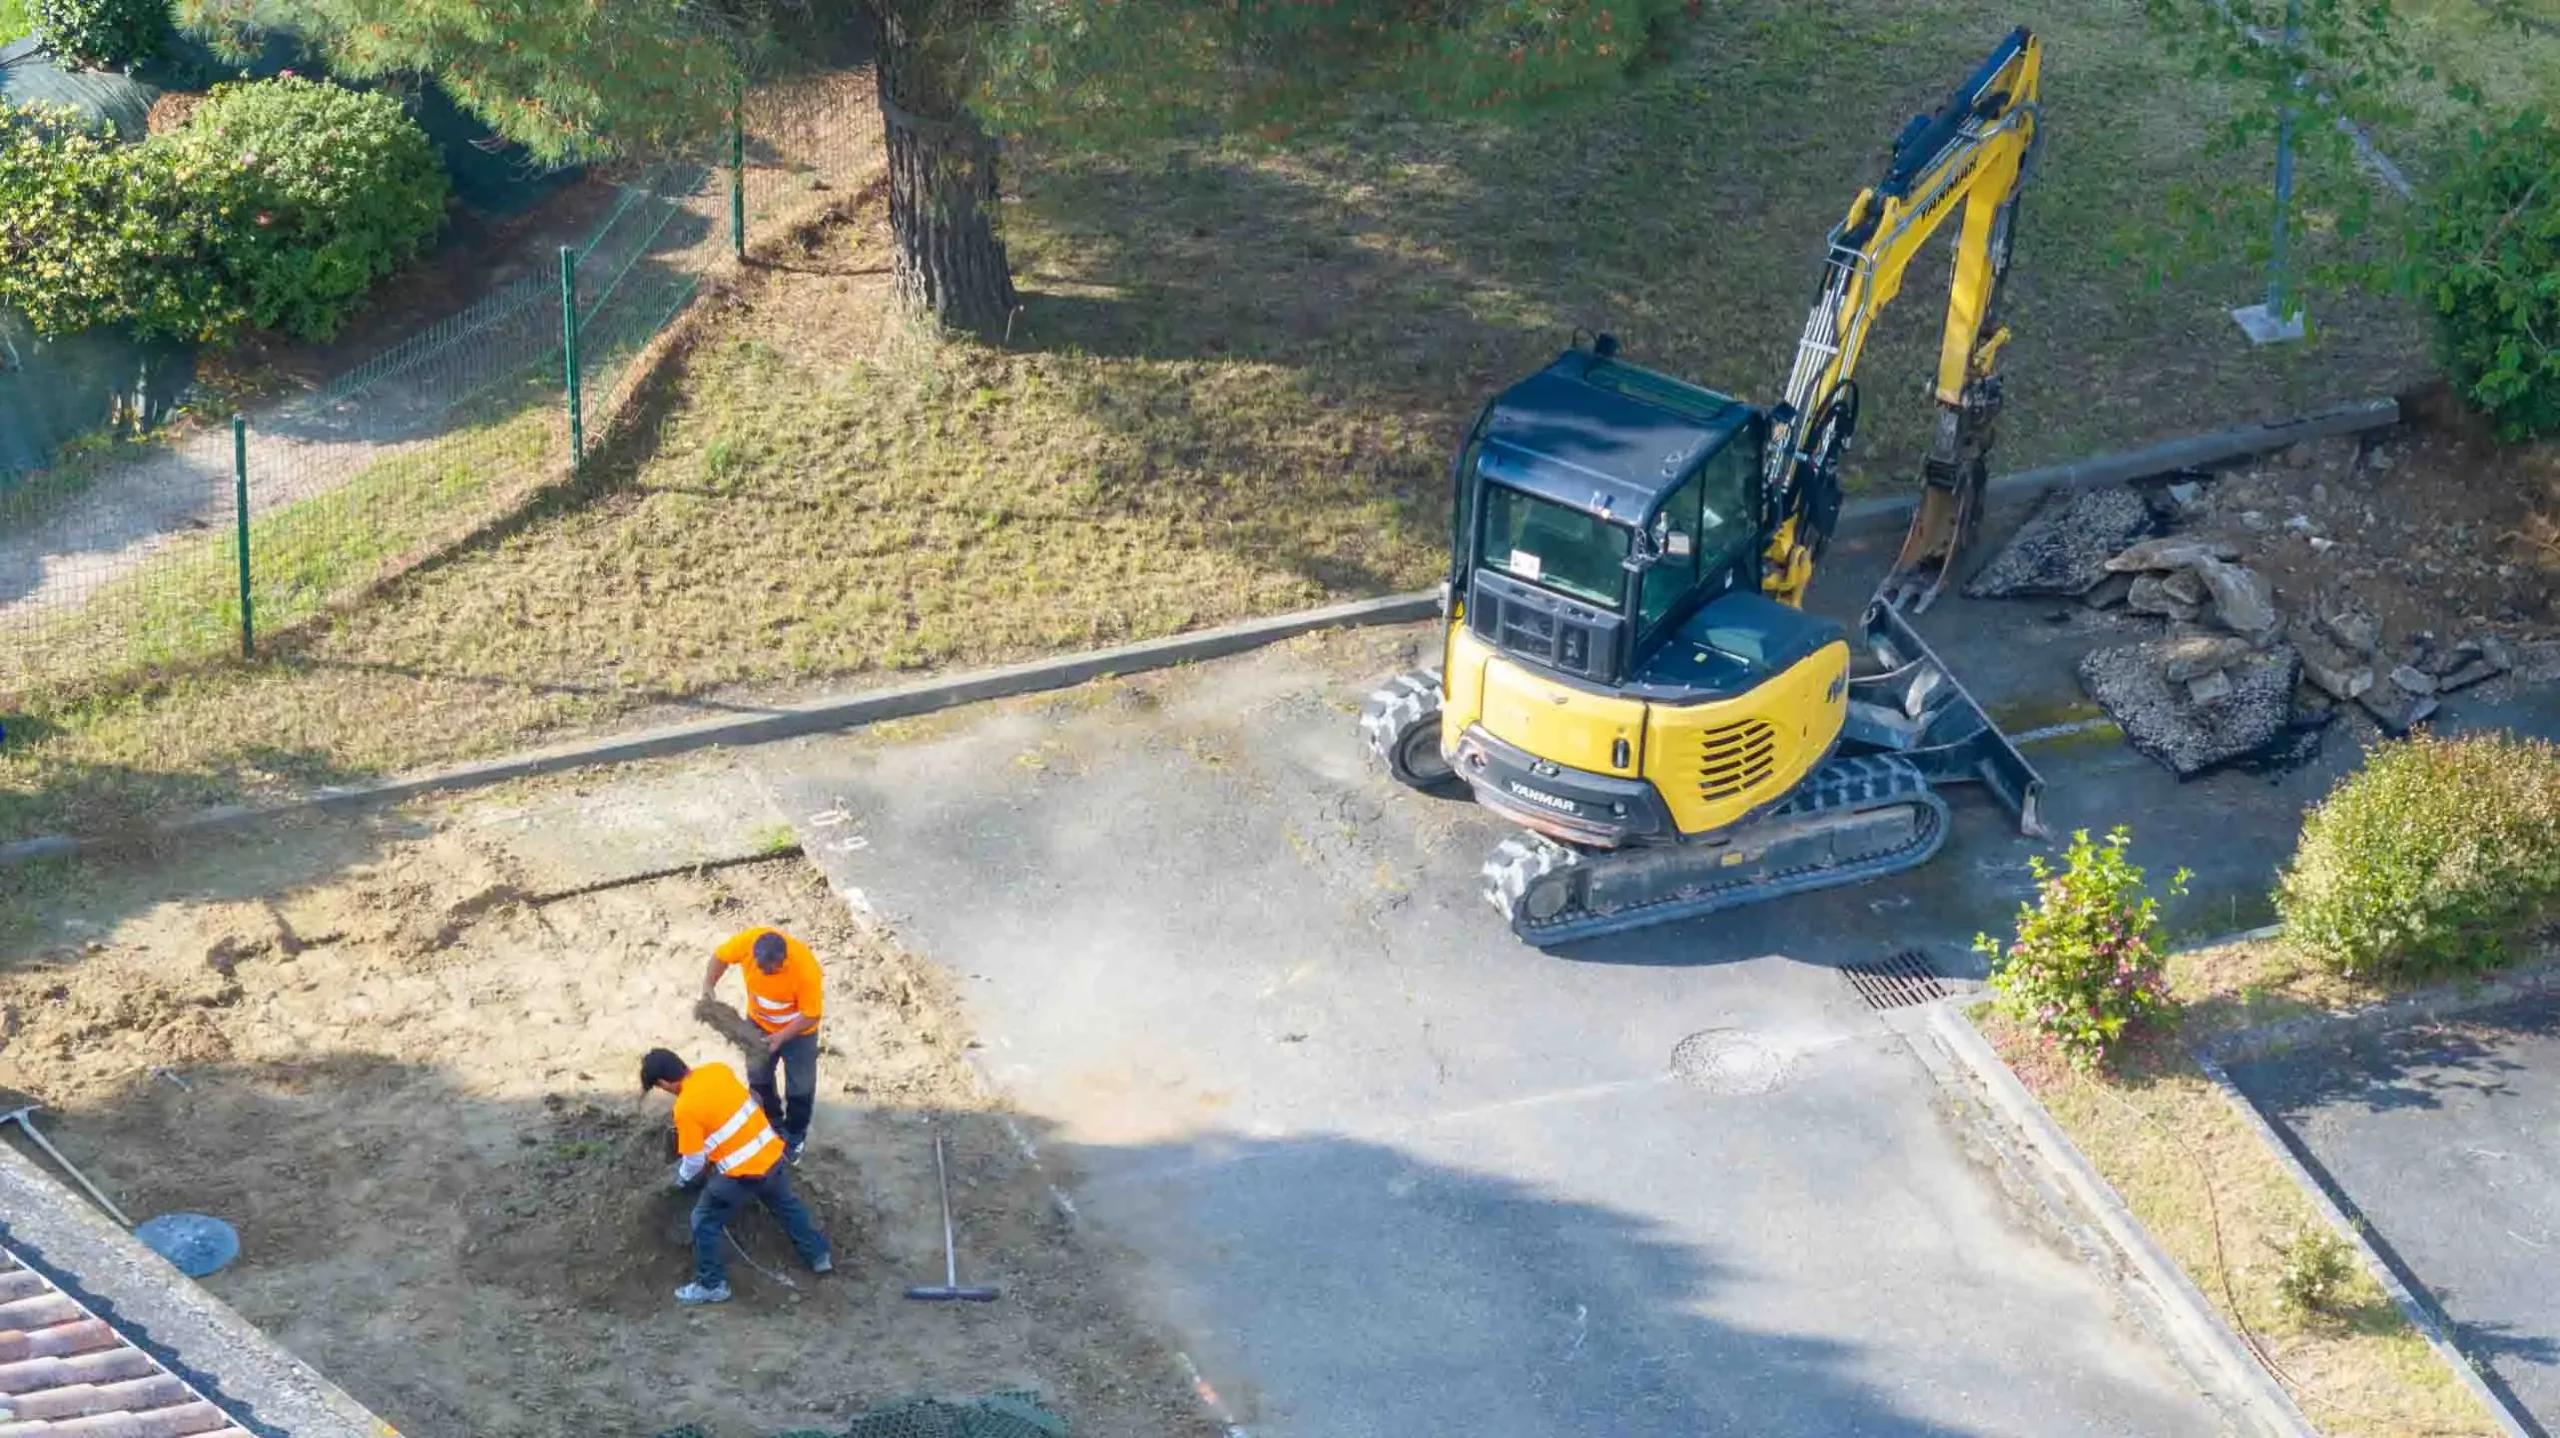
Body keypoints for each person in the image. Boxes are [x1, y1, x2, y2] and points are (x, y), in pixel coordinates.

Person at [640, 1047, 832, 1306]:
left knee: (703, 1219)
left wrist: (683, 1180)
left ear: (663, 1083)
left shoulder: (685, 1108)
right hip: (770, 1152)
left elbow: (694, 1160)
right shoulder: (717, 1070)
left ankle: (711, 1285)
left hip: (742, 1175)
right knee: (786, 1205)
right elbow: (724, 1115)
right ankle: (819, 1256)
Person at [702, 926, 826, 1163]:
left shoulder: (805, 969)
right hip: (758, 1024)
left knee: (800, 1087)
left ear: (783, 961)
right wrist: (709, 984)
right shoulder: (748, 942)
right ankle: (771, 1122)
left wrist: (781, 1037)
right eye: (760, 967)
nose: (764, 972)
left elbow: (811, 1014)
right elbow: (720, 957)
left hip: (799, 1033)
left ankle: (794, 1136)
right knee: (758, 1076)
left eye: (771, 969)